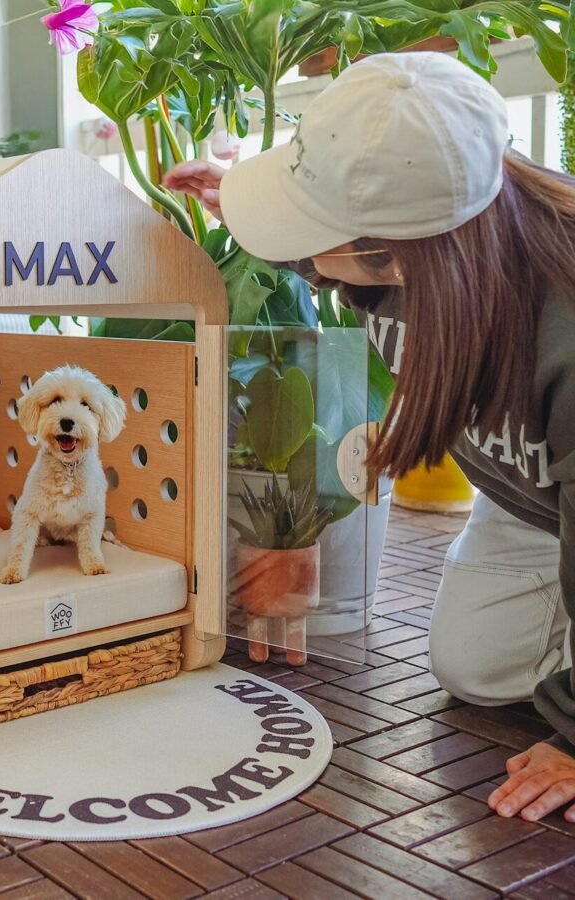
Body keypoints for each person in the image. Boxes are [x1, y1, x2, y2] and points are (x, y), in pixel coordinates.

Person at [165, 50, 575, 824]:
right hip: (532, 497)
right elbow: (344, 232)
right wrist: (256, 206)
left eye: (315, 227)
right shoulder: (438, 231)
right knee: (476, 668)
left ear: (402, 252)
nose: (306, 250)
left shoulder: (564, 329)